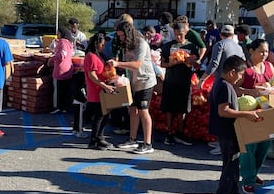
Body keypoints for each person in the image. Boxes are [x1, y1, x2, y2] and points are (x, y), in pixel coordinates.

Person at [208, 55, 261, 194]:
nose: (241, 77)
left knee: (234, 165)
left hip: (231, 132)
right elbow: (223, 111)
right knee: (229, 166)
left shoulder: (224, 84)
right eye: (240, 74)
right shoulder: (224, 86)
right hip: (226, 132)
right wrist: (246, 114)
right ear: (232, 72)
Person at [108, 21, 156, 154]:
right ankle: (132, 139)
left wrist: (118, 63)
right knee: (133, 109)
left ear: (128, 34)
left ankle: (147, 144)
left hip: (145, 81)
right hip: (133, 82)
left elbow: (137, 64)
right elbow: (127, 65)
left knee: (143, 110)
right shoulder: (126, 45)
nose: (121, 38)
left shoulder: (141, 43)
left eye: (122, 35)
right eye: (119, 36)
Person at [235, 39, 274, 194]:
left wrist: (271, 88)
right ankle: (247, 179)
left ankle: (254, 173)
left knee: (264, 146)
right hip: (248, 113)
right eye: (261, 51)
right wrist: (252, 92)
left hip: (266, 112)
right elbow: (234, 88)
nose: (264, 54)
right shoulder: (244, 68)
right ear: (251, 51)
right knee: (248, 148)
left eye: (266, 51)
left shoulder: (269, 66)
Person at [198, 24, 245, 155]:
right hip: (233, 83)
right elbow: (243, 66)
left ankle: (221, 144)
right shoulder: (238, 47)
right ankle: (221, 141)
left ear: (220, 34)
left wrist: (202, 79)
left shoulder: (219, 45)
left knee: (219, 113)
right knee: (229, 112)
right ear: (233, 34)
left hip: (221, 82)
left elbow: (214, 64)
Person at [160, 22, 199, 146]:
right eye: (176, 35)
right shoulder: (168, 46)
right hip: (170, 81)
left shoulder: (192, 47)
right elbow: (162, 63)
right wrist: (171, 64)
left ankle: (180, 132)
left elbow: (196, 65)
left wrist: (191, 61)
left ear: (185, 33)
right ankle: (169, 132)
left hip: (185, 82)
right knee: (169, 108)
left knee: (182, 109)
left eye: (181, 35)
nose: (178, 37)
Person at [84, 32, 116, 149]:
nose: (104, 47)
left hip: (100, 89)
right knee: (100, 116)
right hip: (96, 90)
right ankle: (95, 139)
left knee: (103, 115)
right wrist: (104, 85)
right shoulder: (92, 56)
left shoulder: (97, 55)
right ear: (97, 44)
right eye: (102, 45)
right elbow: (92, 74)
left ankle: (99, 138)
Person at [48, 26, 74, 114]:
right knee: (65, 90)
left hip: (60, 70)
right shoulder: (70, 43)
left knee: (58, 89)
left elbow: (62, 54)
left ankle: (57, 106)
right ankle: (65, 107)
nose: (57, 34)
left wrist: (51, 59)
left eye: (58, 33)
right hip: (68, 69)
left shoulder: (62, 42)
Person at [71, 70, 87, 138]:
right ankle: (80, 132)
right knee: (80, 118)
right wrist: (86, 100)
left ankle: (75, 130)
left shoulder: (74, 85)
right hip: (80, 103)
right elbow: (84, 96)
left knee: (76, 118)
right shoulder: (81, 88)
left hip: (75, 101)